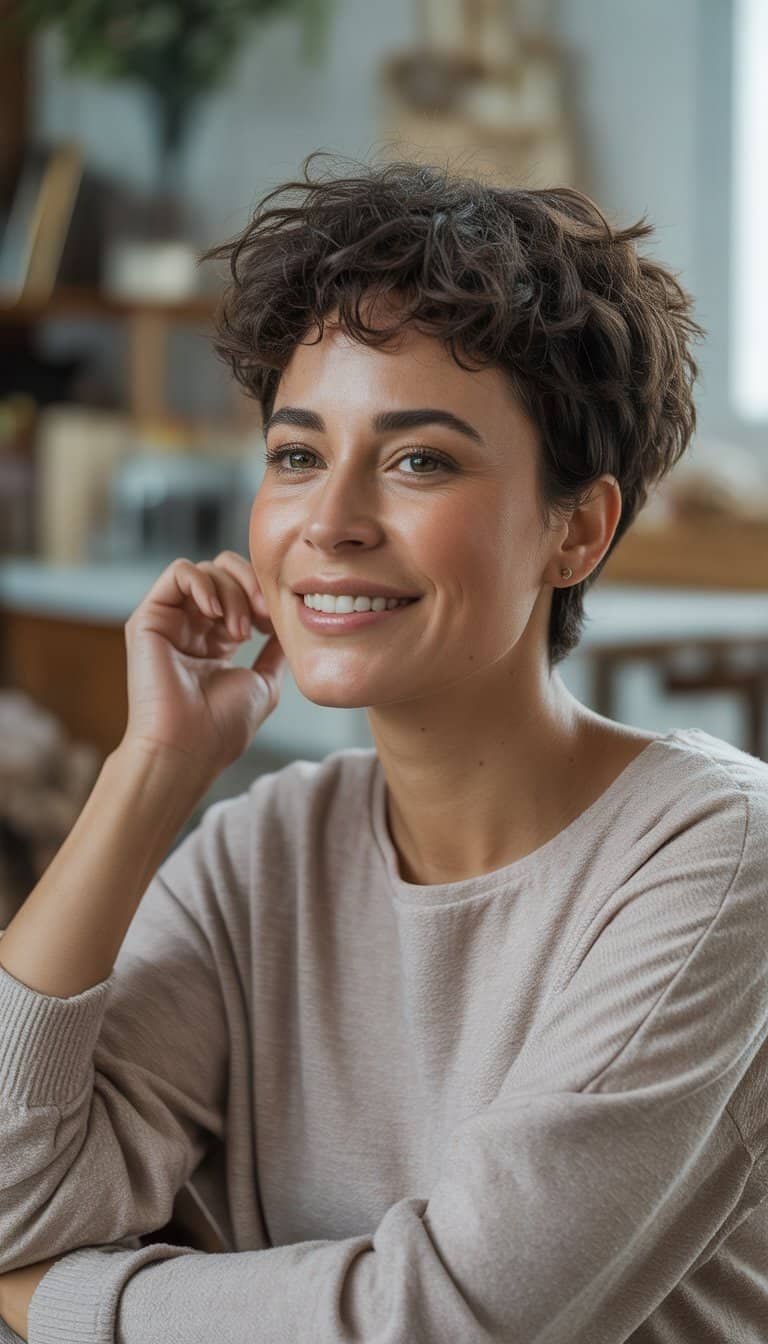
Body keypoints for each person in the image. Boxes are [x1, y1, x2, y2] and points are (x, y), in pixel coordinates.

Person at [1, 151, 767, 1344]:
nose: (331, 523)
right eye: (298, 454)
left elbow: (454, 1320)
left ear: (577, 530)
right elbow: (13, 1200)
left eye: (420, 460)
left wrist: (67, 1306)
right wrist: (149, 774)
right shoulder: (261, 854)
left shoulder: (718, 860)